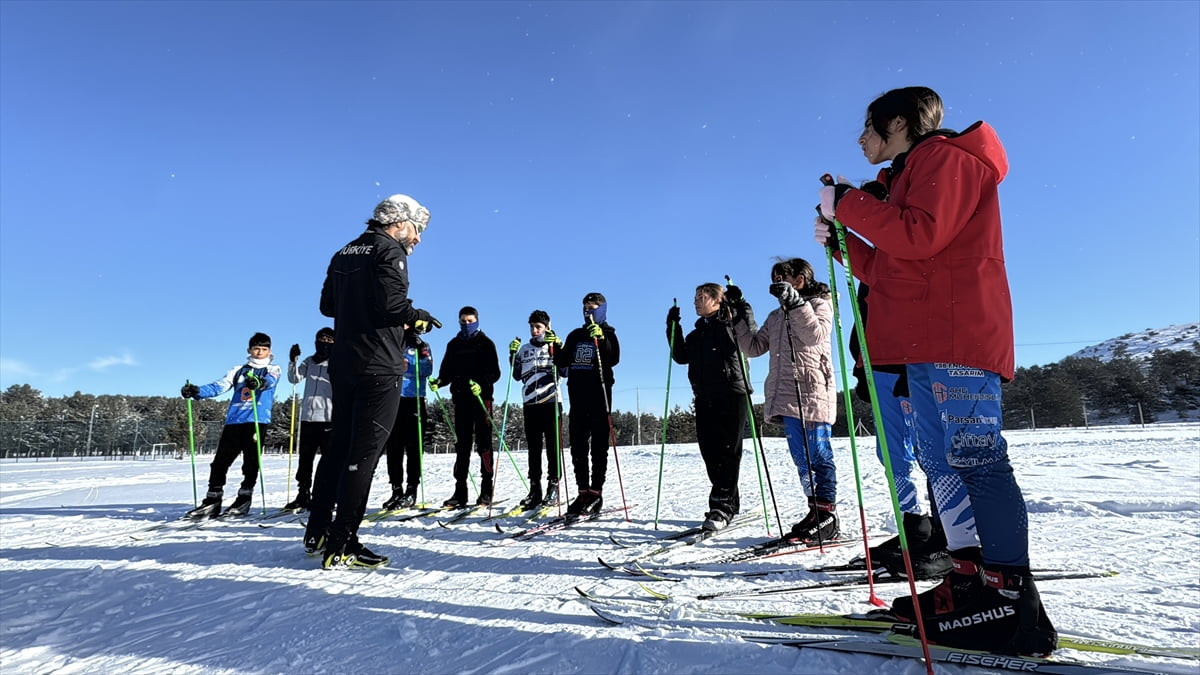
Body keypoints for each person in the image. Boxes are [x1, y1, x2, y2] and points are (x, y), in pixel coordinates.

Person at [814, 86, 1055, 654]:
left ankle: (1010, 596)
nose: (861, 139)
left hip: (958, 334)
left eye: (869, 128)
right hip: (919, 339)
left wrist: (849, 204)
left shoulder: (947, 158)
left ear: (899, 123)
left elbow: (920, 236)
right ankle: (969, 581)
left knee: (976, 459)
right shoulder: (909, 173)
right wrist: (847, 245)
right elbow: (896, 267)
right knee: (942, 463)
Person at [304, 193, 439, 570]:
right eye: (417, 229)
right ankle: (343, 539)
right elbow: (392, 307)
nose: (418, 239)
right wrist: (419, 317)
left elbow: (328, 307)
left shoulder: (345, 251)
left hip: (345, 362)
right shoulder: (388, 250)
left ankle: (317, 531)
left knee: (338, 449)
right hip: (378, 365)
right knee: (364, 455)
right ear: (399, 222)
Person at [732, 259, 838, 543]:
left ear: (800, 279)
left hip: (812, 390)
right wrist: (740, 317)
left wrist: (795, 304)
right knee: (802, 459)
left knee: (818, 455)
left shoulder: (819, 304)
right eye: (775, 278)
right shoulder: (776, 316)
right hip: (786, 395)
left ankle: (828, 515)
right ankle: (814, 510)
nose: (778, 281)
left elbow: (815, 335)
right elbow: (753, 347)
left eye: (783, 277)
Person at [850, 285, 952, 580]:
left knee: (928, 450)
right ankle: (915, 524)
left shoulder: (904, 250)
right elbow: (863, 320)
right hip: (878, 365)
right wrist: (861, 371)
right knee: (891, 453)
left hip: (909, 363)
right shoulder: (869, 271)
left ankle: (948, 535)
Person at [666, 283, 749, 532]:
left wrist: (737, 305)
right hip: (704, 397)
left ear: (717, 300)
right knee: (710, 453)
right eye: (695, 298)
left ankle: (721, 505)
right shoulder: (696, 334)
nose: (696, 302)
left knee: (728, 452)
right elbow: (680, 356)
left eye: (702, 297)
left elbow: (744, 330)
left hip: (731, 393)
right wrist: (672, 328)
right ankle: (729, 502)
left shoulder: (728, 325)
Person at [180, 332, 281, 518]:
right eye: (256, 348)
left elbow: (269, 382)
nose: (260, 352)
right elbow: (219, 386)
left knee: (250, 463)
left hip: (257, 421)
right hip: (234, 421)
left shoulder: (272, 369)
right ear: (249, 350)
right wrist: (197, 391)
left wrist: (257, 382)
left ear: (269, 351)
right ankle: (212, 499)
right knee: (220, 462)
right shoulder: (238, 370)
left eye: (264, 349)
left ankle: (244, 499)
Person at [553, 292, 620, 516]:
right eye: (585, 308)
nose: (588, 312)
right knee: (578, 445)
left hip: (599, 395)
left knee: (599, 447)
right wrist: (555, 347)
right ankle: (582, 492)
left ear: (602, 309)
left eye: (592, 307)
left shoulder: (609, 332)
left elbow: (614, 358)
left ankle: (596, 492)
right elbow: (562, 362)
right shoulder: (575, 335)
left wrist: (602, 339)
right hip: (578, 395)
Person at [429, 306, 501, 508]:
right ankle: (460, 491)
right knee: (462, 446)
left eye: (470, 321)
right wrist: (440, 381)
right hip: (460, 399)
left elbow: (495, 372)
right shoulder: (454, 344)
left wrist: (483, 383)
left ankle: (486, 489)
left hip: (481, 399)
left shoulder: (486, 343)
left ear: (477, 321)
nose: (467, 324)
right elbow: (447, 371)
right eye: (463, 321)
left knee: (484, 444)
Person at [509, 310, 565, 509]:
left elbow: (565, 371)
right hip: (530, 404)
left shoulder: (554, 344)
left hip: (551, 402)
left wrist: (557, 347)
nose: (534, 330)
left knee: (552, 448)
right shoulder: (524, 349)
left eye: (538, 326)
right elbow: (516, 375)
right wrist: (513, 355)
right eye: (532, 326)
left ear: (547, 326)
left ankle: (554, 486)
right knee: (533, 449)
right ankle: (535, 489)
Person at [381, 329, 434, 510]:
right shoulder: (391, 342)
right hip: (392, 399)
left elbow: (427, 369)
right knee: (393, 448)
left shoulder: (422, 346)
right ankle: (396, 489)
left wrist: (418, 352)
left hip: (414, 400)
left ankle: (411, 490)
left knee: (413, 448)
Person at [283, 327, 335, 512]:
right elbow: (294, 379)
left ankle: (326, 494)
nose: (325, 343)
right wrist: (292, 360)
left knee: (328, 461)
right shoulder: (309, 361)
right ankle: (303, 492)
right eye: (322, 339)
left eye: (329, 340)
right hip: (307, 418)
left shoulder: (336, 362)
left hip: (328, 418)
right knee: (305, 459)